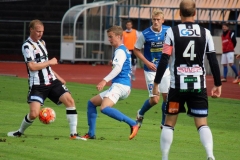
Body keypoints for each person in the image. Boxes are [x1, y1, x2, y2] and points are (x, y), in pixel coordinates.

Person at [152, 0, 222, 160]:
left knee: (169, 123)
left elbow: (164, 59)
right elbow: (212, 60)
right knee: (202, 123)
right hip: (198, 86)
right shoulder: (205, 33)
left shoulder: (172, 32)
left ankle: (164, 157)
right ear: (195, 13)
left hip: (177, 86)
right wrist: (218, 84)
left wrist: (156, 83)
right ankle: (210, 155)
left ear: (179, 13)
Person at [7, 19, 86, 140]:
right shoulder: (27, 46)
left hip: (52, 81)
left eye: (42, 31)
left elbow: (45, 65)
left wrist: (58, 77)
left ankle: (73, 134)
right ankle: (19, 132)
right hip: (38, 85)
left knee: (70, 101)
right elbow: (32, 66)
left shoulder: (42, 43)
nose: (40, 34)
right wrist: (50, 62)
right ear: (31, 30)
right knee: (34, 114)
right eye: (38, 31)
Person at [82, 25, 139, 140]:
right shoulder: (123, 50)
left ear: (118, 36)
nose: (109, 39)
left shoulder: (120, 51)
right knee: (92, 103)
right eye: (108, 37)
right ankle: (91, 133)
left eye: (111, 37)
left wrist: (104, 81)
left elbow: (118, 68)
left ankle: (133, 123)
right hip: (123, 86)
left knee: (104, 108)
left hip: (120, 85)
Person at [133, 9, 170, 128]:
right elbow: (136, 49)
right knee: (155, 100)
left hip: (165, 69)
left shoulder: (168, 30)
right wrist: (147, 62)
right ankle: (140, 113)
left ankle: (163, 122)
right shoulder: (145, 34)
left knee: (167, 97)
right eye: (154, 19)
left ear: (163, 20)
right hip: (151, 70)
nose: (155, 22)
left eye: (158, 20)